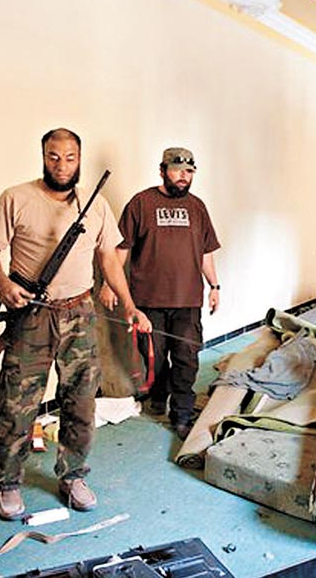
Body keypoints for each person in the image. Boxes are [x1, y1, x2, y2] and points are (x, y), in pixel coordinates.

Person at [0, 128, 152, 520]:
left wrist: (129, 305)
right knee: (17, 403)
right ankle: (7, 482)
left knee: (81, 401)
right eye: (54, 156)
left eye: (70, 157)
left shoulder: (96, 205)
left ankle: (73, 475)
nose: (62, 165)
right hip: (32, 315)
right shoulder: (16, 198)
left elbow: (109, 259)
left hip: (80, 314)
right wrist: (4, 285)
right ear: (43, 156)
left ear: (80, 158)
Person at [99, 147, 220, 441]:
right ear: (162, 170)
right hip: (147, 301)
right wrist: (108, 283)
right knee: (154, 356)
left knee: (186, 357)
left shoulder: (197, 207)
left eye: (189, 171)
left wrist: (215, 286)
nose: (183, 176)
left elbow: (206, 251)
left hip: (188, 300)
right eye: (177, 170)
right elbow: (121, 248)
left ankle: (182, 414)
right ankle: (158, 392)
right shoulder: (141, 203)